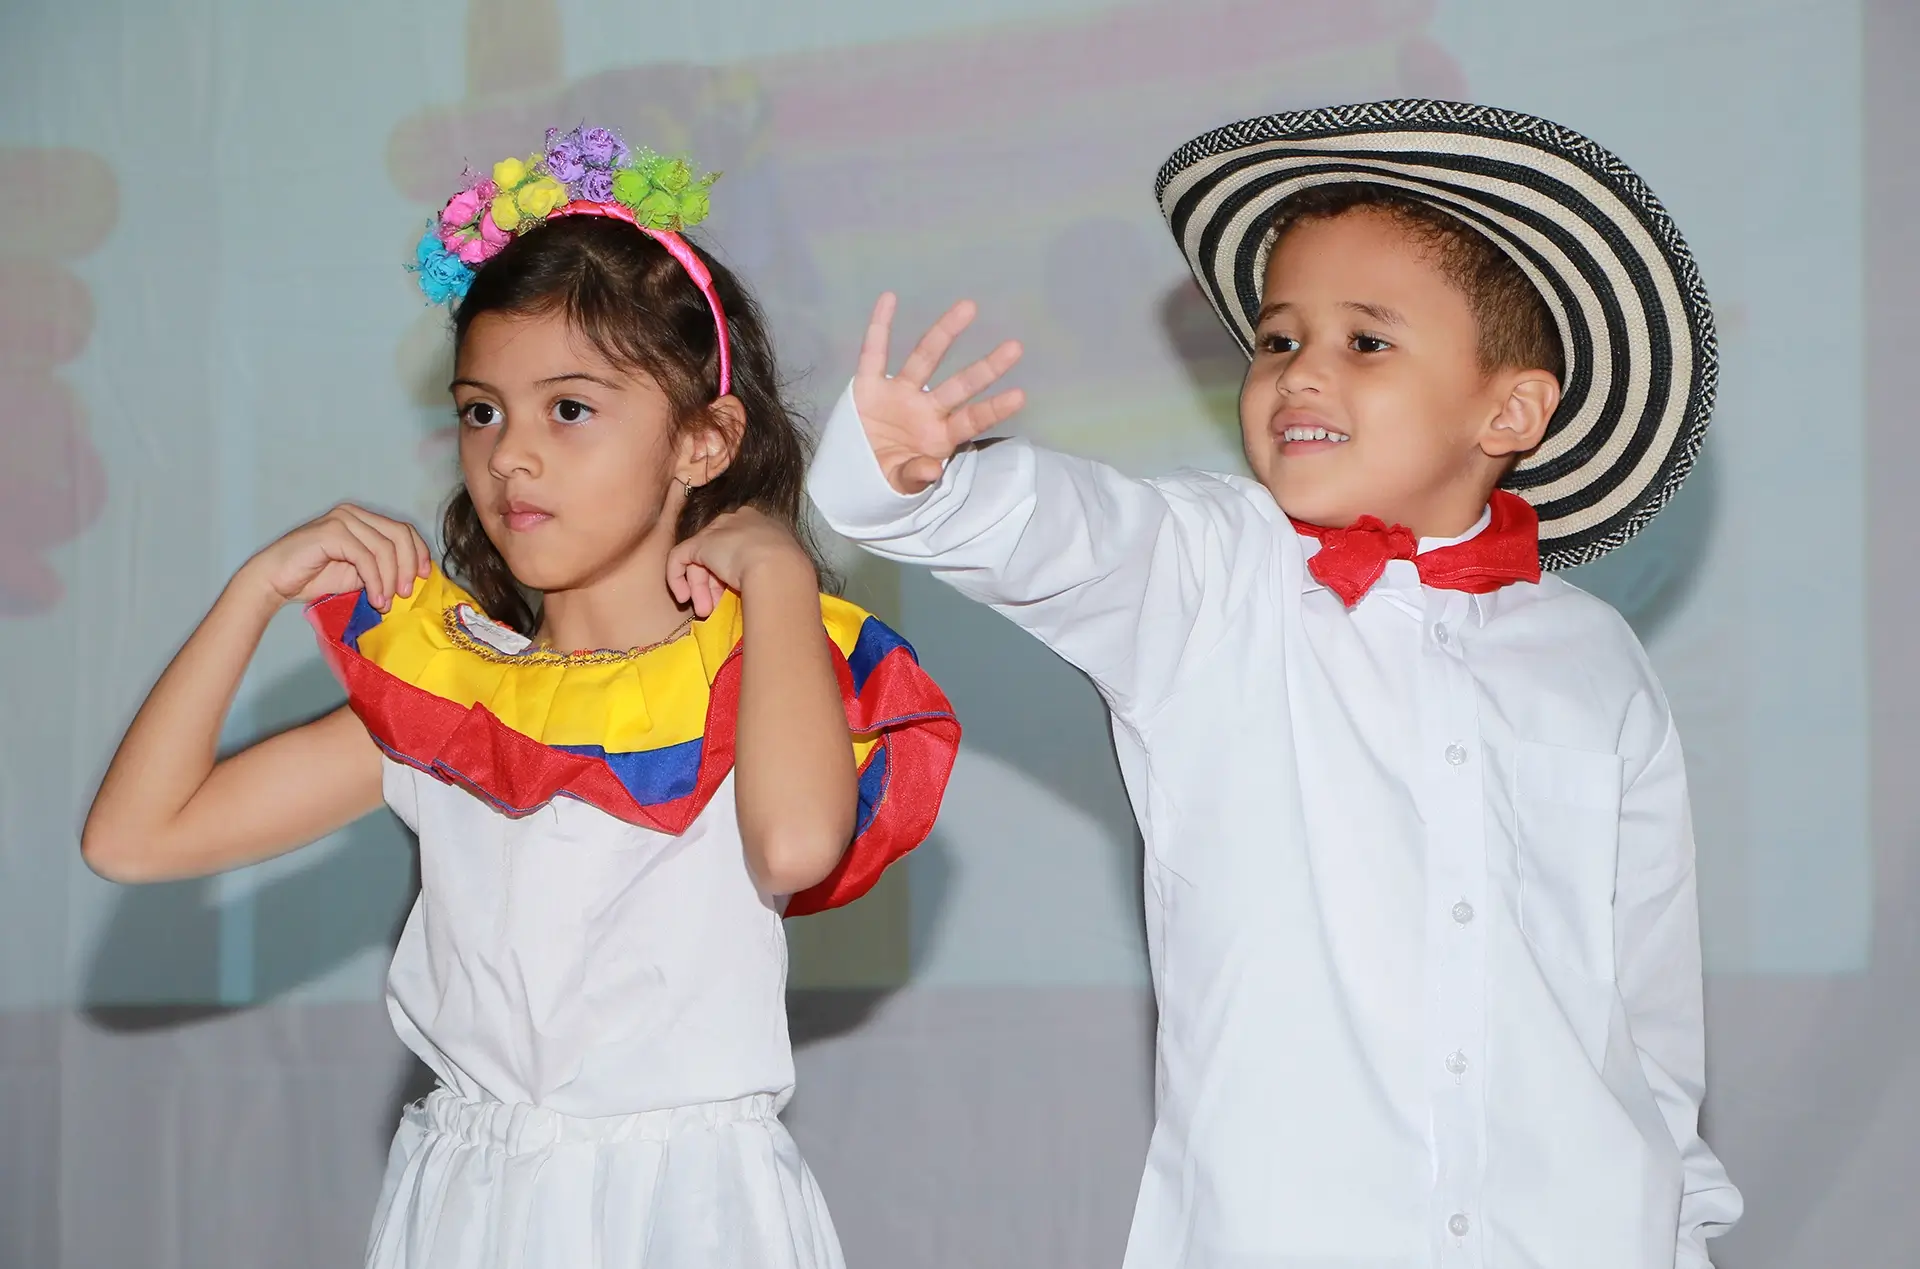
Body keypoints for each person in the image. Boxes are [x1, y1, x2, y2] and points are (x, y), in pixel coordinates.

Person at [807, 100, 1741, 1267]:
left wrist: (1684, 1232)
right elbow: (1084, 532)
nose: (1299, 375)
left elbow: (1647, 1006)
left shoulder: (1597, 659)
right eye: (1278, 339)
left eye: (1366, 342)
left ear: (1511, 410)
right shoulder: (1217, 574)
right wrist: (923, 487)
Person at [82, 124, 959, 1269]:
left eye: (571, 410)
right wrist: (254, 592)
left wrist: (781, 572)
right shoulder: (454, 698)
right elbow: (134, 840)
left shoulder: (765, 665)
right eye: (482, 410)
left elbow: (795, 845)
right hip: (468, 1201)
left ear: (705, 442)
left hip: (686, 1211)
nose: (510, 458)